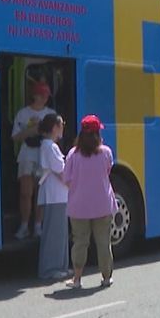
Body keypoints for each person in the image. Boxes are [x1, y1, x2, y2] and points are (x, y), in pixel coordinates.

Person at [64, 115, 118, 290]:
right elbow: (108, 172)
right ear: (97, 134)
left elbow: (67, 179)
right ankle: (106, 277)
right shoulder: (106, 152)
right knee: (103, 242)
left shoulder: (73, 154)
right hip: (103, 205)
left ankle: (77, 278)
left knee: (80, 242)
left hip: (78, 206)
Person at [11, 82, 56, 240]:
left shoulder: (51, 114)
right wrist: (30, 131)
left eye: (46, 96)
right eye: (42, 95)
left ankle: (38, 226)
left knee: (40, 193)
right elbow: (15, 137)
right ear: (35, 95)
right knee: (25, 193)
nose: (44, 98)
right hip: (27, 155)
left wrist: (43, 132)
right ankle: (24, 225)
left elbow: (57, 137)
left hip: (43, 155)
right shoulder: (23, 113)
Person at [37, 114, 71, 281]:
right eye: (61, 124)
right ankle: (51, 269)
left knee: (60, 231)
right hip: (55, 194)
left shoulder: (49, 145)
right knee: (54, 232)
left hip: (57, 194)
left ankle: (61, 266)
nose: (63, 127)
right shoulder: (50, 146)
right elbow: (60, 169)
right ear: (55, 127)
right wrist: (73, 185)